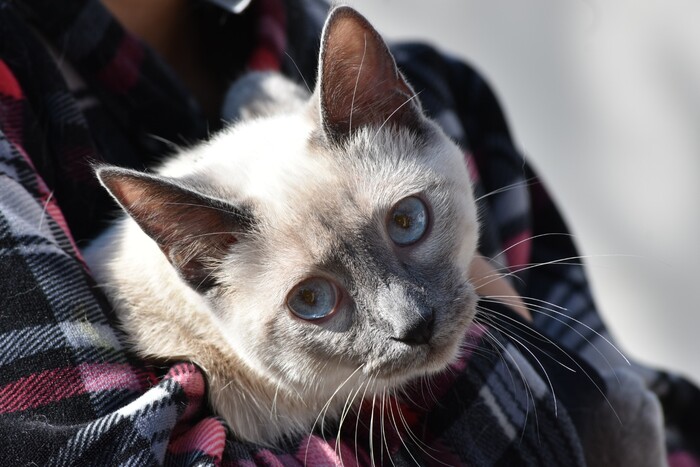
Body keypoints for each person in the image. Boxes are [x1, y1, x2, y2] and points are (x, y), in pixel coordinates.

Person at [0, 0, 698, 464]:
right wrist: (495, 306)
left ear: (404, 113)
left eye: (407, 221)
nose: (411, 320)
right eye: (315, 299)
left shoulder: (439, 87)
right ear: (198, 268)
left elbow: (655, 426)